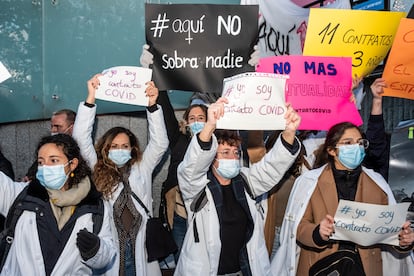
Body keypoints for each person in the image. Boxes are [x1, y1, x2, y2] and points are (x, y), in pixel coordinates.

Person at [174, 97, 301, 275]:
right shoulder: (197, 187)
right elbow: (191, 168)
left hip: (243, 270)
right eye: (225, 153)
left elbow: (272, 167)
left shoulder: (245, 182)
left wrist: (289, 132)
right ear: (211, 158)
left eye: (235, 153)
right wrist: (209, 125)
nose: (232, 158)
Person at [271, 121, 414, 276]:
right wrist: (318, 232)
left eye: (360, 143)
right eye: (348, 143)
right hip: (321, 264)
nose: (356, 148)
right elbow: (298, 227)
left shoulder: (377, 184)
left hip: (365, 267)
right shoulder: (310, 182)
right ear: (332, 150)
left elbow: (389, 228)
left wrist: (403, 240)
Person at [72, 74, 169, 275]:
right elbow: (81, 140)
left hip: (141, 253)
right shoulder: (96, 168)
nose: (120, 149)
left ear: (132, 148)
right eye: (114, 146)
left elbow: (160, 144)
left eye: (125, 146)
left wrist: (152, 106)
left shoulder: (143, 167)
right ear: (106, 149)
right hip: (111, 252)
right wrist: (91, 98)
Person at [0, 134, 116, 275]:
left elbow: (108, 256)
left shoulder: (94, 205)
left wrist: (95, 250)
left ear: (72, 164)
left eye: (53, 160)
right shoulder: (23, 196)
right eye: (41, 162)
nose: (45, 167)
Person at [156, 91, 208, 265]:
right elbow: (166, 113)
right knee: (181, 261)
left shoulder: (216, 143)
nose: (196, 122)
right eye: (192, 118)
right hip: (179, 213)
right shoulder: (179, 140)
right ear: (186, 122)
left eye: (201, 118)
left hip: (206, 215)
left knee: (205, 261)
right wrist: (156, 77)